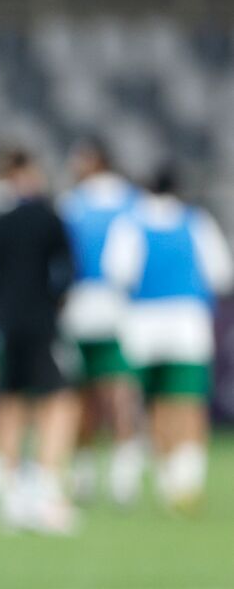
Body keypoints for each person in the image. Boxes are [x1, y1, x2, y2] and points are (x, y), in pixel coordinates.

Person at [103, 166, 233, 510]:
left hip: (143, 321)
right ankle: (186, 478)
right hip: (187, 321)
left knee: (150, 400)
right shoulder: (196, 222)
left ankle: (150, 473)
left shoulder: (131, 223)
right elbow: (220, 273)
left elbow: (118, 273)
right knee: (187, 398)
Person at [0, 149, 78, 533]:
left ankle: (12, 492)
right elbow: (68, 269)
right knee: (57, 400)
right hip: (41, 322)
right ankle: (48, 489)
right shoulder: (47, 216)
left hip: (5, 324)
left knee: (9, 401)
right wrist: (55, 305)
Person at [59, 137, 144, 504]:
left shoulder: (72, 204)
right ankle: (120, 474)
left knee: (88, 393)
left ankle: (88, 471)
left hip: (87, 306)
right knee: (115, 391)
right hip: (113, 307)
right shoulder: (132, 202)